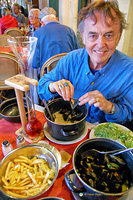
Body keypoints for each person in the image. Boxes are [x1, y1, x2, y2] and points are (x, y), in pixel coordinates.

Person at [38, 1, 133, 126]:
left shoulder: (129, 70)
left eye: (108, 35)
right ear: (83, 37)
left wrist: (109, 106)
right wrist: (52, 86)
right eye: (93, 35)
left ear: (119, 37)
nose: (100, 44)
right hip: (69, 127)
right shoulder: (71, 60)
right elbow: (42, 85)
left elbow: (129, 114)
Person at [32, 7, 80, 76]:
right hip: (69, 74)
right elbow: (78, 54)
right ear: (56, 19)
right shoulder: (69, 30)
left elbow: (35, 63)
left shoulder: (38, 33)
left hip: (48, 76)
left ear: (42, 23)